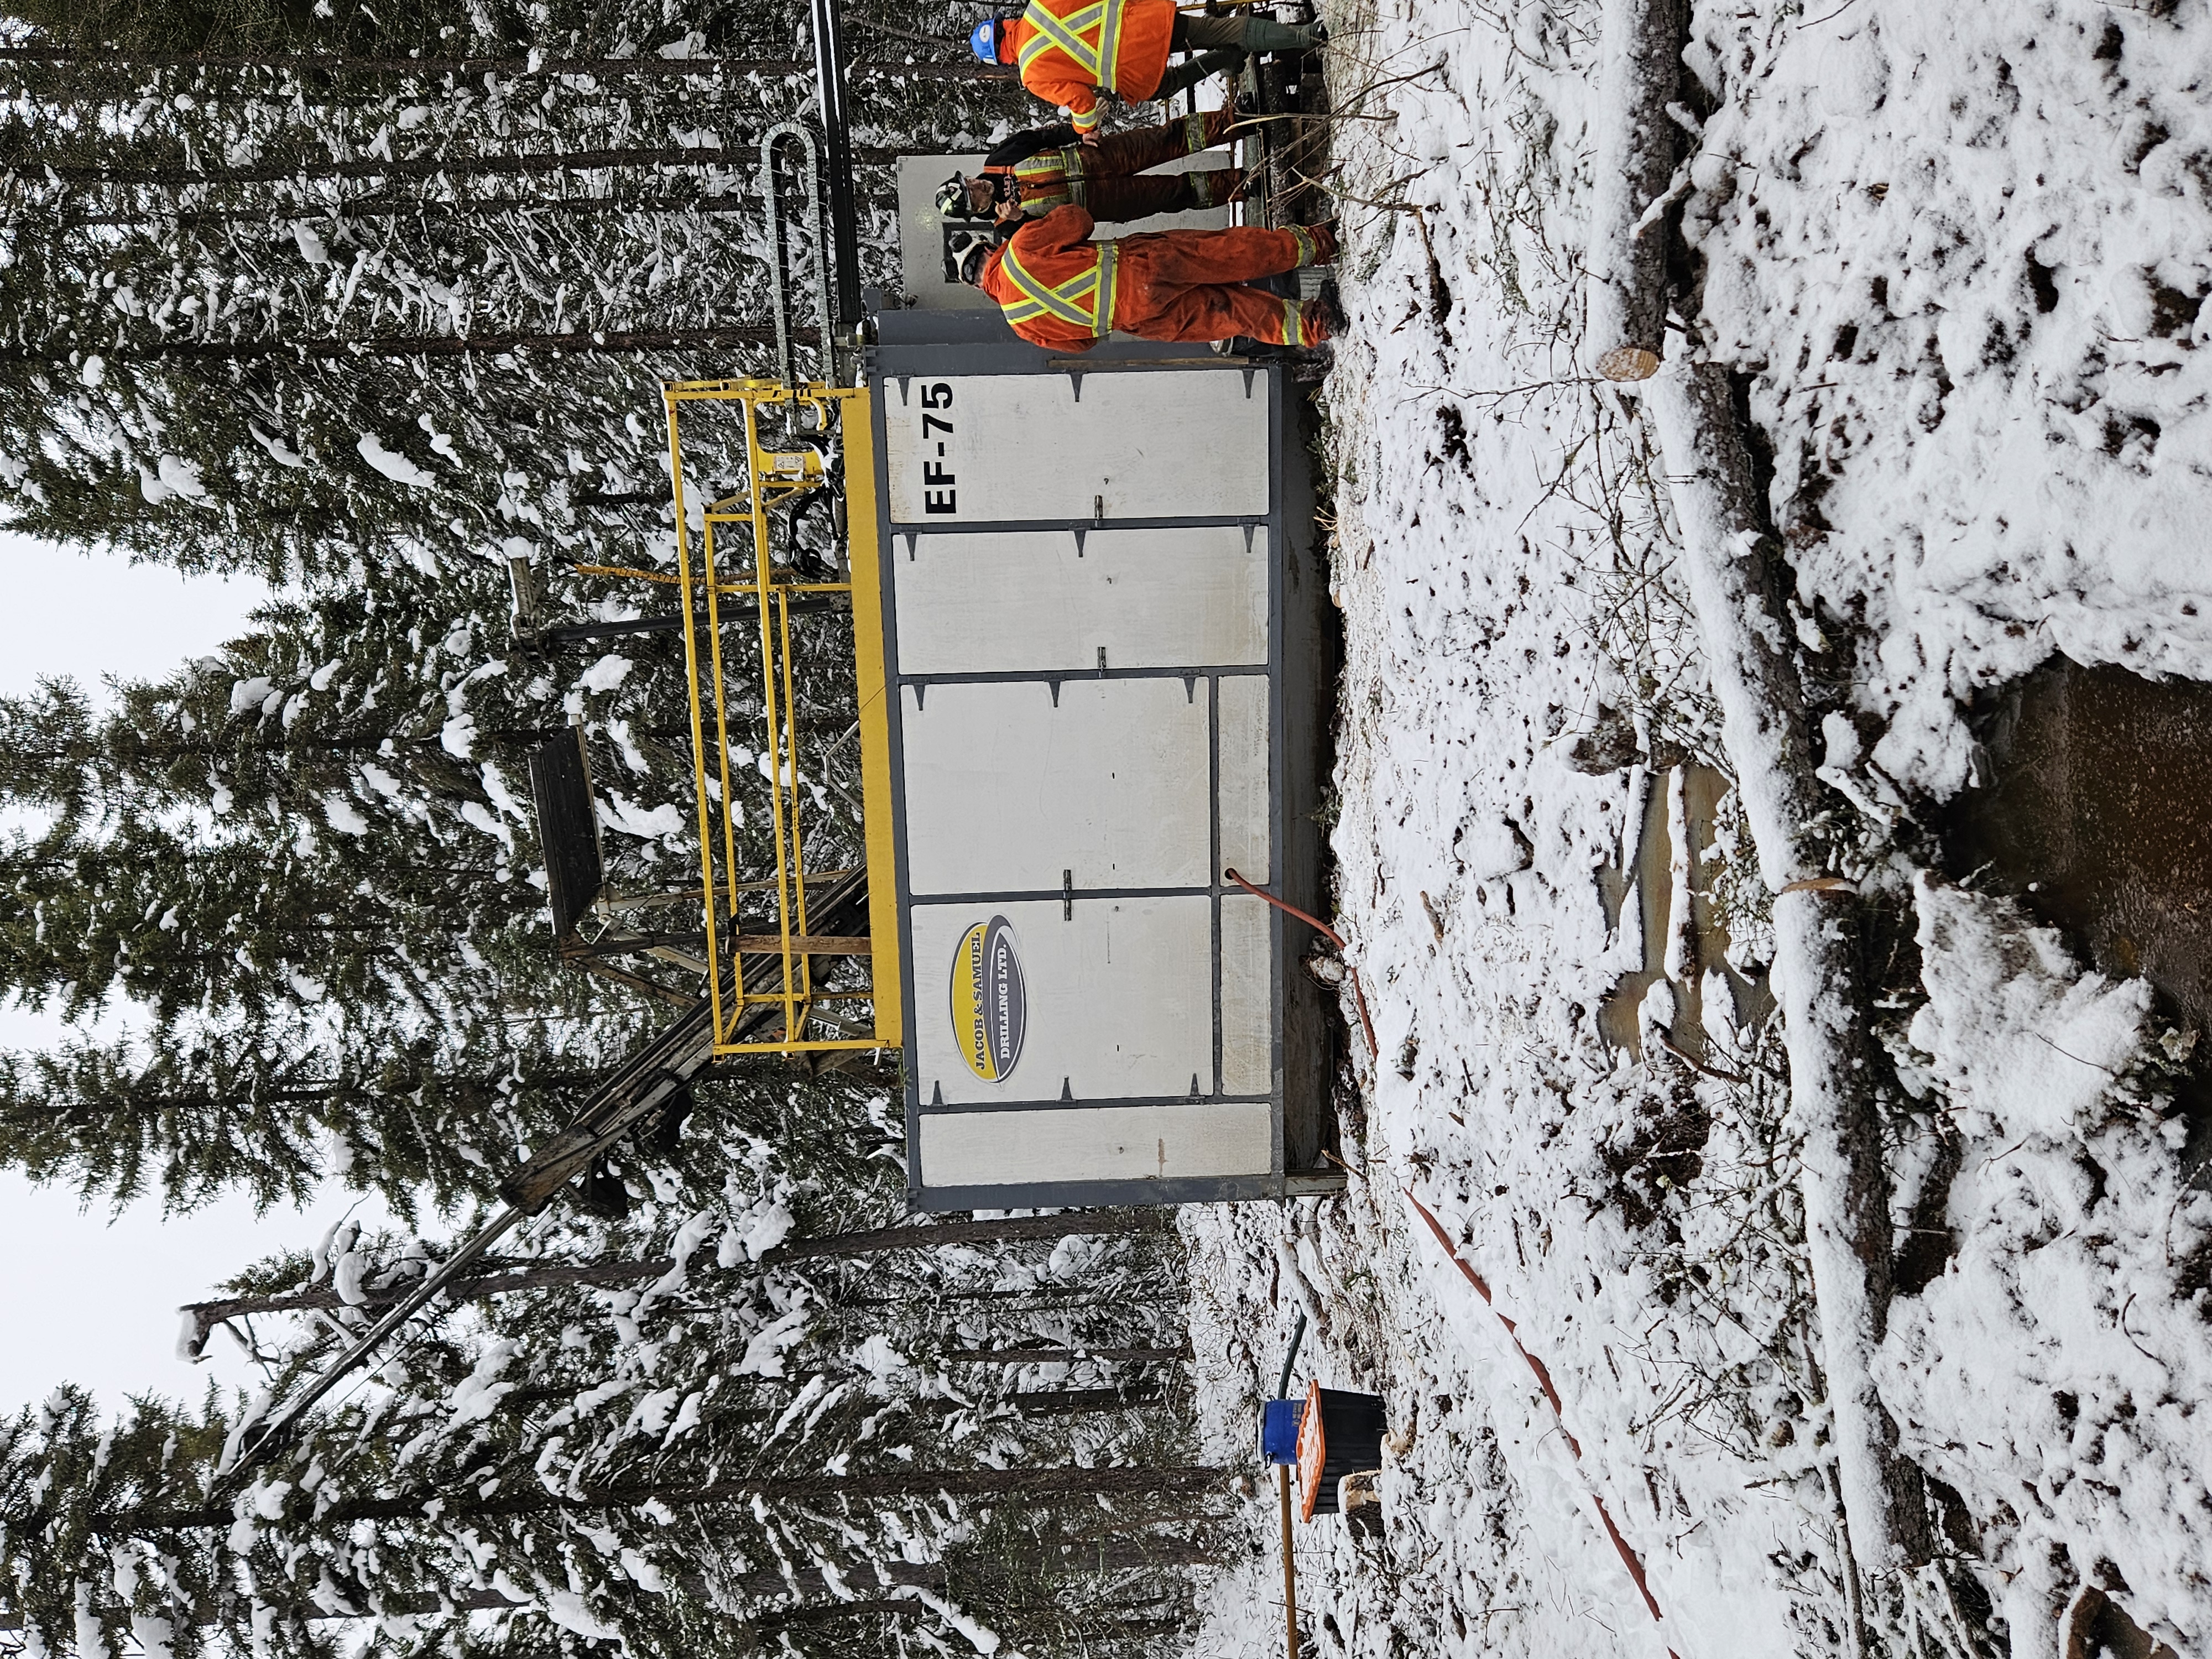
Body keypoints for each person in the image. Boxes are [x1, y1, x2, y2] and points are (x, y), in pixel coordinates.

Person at [956, 202, 1340, 351]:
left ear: (977, 286)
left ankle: (1315, 324)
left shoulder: (1021, 323)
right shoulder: (1021, 247)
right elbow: (1080, 221)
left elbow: (1083, 344)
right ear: (988, 248)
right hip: (1143, 264)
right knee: (1229, 254)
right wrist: (1032, 219)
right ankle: (1318, 244)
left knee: (1232, 314)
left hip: (1141, 318)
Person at [969, 0, 1323, 138]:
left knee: (1169, 84)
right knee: (1220, 31)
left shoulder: (1032, 73)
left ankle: (1226, 59)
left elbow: (1081, 102)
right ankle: (1305, 35)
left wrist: (1084, 131)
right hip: (1148, 23)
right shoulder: (1040, 6)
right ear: (1006, 24)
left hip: (1134, 70)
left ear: (1000, 60)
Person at [934, 111, 1242, 231]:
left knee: (1166, 139)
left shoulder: (999, 160)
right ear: (975, 210)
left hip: (1099, 156)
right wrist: (1021, 219)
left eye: (969, 181)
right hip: (1106, 203)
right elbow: (1056, 235)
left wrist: (1077, 133)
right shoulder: (1007, 229)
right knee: (1176, 194)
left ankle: (1238, 119)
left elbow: (1040, 138)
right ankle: (1241, 185)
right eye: (971, 193)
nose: (976, 184)